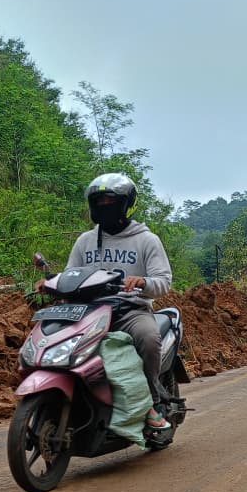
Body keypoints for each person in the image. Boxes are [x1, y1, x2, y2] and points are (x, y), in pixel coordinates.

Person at [61, 173, 174, 430]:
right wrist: (51, 282)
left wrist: (143, 282)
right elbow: (70, 275)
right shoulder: (85, 241)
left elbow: (164, 281)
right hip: (88, 311)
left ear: (126, 204)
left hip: (131, 309)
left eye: (110, 200)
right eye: (98, 201)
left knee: (148, 338)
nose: (104, 206)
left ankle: (150, 403)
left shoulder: (146, 240)